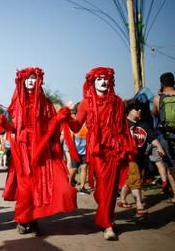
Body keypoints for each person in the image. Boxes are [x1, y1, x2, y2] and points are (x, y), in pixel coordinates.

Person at [59, 67, 135, 240]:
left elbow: (123, 127)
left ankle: (107, 221)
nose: (103, 81)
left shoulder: (117, 102)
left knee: (112, 186)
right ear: (92, 82)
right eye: (99, 79)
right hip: (97, 151)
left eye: (105, 78)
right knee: (103, 186)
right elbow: (77, 126)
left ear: (110, 81)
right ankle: (107, 222)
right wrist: (66, 117)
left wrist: (127, 147)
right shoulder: (85, 103)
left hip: (114, 149)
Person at [1, 67, 77, 236]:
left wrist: (59, 118)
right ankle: (22, 219)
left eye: (34, 78)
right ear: (22, 81)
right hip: (22, 150)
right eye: (27, 78)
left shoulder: (46, 103)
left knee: (39, 186)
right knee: (25, 188)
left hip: (41, 149)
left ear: (38, 81)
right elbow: (12, 127)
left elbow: (51, 127)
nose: (31, 80)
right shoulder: (16, 103)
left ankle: (33, 218)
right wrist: (4, 124)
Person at [152, 72, 175, 204]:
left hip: (167, 137)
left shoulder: (157, 99)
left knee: (171, 169)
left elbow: (154, 114)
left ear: (161, 84)